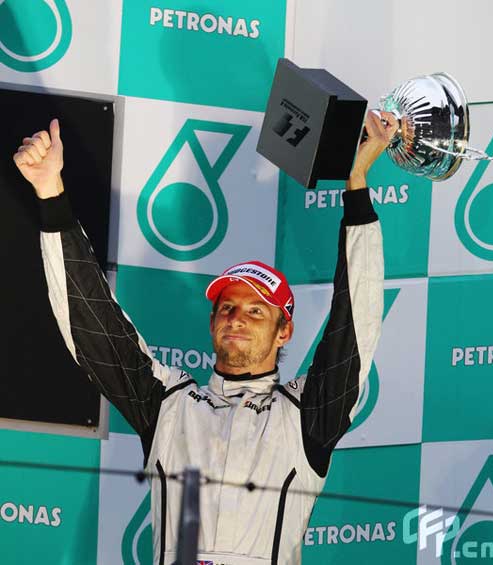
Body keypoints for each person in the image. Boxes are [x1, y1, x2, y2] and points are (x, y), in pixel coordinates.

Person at [13, 111, 397, 565]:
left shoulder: (306, 415)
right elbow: (94, 326)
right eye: (228, 308)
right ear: (212, 322)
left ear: (284, 331)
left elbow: (356, 318)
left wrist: (356, 181)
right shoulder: (169, 404)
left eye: (257, 311)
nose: (238, 318)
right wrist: (50, 194)